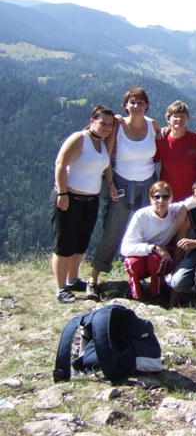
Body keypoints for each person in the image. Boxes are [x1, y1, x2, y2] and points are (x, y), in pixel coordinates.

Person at [89, 86, 160, 300]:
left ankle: (149, 277)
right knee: (113, 230)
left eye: (140, 102)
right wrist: (110, 184)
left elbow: (164, 140)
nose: (136, 106)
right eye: (132, 102)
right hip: (121, 184)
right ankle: (93, 280)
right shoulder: (118, 127)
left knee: (149, 231)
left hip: (149, 186)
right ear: (125, 105)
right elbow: (107, 158)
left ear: (146, 106)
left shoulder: (152, 125)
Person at [50, 105, 118, 303]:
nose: (107, 127)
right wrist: (62, 193)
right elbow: (60, 164)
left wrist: (111, 185)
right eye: (103, 123)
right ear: (92, 120)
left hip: (90, 200)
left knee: (80, 244)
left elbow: (106, 165)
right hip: (69, 198)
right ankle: (61, 288)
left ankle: (72, 280)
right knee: (64, 245)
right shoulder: (80, 138)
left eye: (110, 124)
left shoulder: (102, 143)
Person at [120, 181, 182, 300]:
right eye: (156, 197)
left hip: (159, 260)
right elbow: (125, 249)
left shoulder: (174, 212)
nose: (161, 201)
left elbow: (194, 200)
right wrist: (153, 248)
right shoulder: (141, 215)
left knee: (156, 260)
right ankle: (136, 293)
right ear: (150, 198)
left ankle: (157, 294)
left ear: (171, 198)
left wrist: (183, 209)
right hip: (139, 257)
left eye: (165, 197)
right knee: (133, 263)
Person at [154, 100, 196, 201]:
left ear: (187, 120)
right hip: (168, 198)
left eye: (183, 116)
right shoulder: (161, 140)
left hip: (193, 198)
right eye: (175, 116)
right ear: (168, 119)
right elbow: (150, 163)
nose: (179, 119)